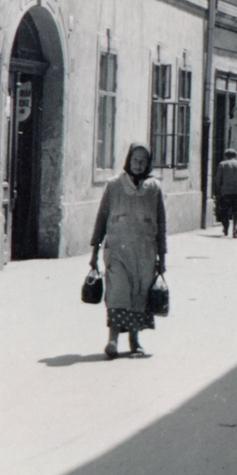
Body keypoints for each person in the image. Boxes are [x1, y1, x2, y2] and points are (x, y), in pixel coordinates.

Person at [89, 142, 166, 358]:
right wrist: (94, 253)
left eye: (143, 161)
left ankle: (135, 341)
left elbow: (162, 225)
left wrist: (163, 257)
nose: (138, 164)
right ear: (128, 161)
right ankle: (112, 340)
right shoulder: (113, 186)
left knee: (139, 295)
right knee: (117, 293)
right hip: (118, 252)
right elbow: (101, 219)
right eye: (135, 160)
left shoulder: (154, 188)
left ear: (148, 164)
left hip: (145, 254)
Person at [214, 148, 237, 238]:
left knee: (225, 211)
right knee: (236, 212)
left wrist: (218, 189)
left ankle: (226, 228)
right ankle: (236, 230)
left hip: (225, 192)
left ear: (226, 156)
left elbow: (217, 179)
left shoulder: (222, 164)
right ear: (235, 155)